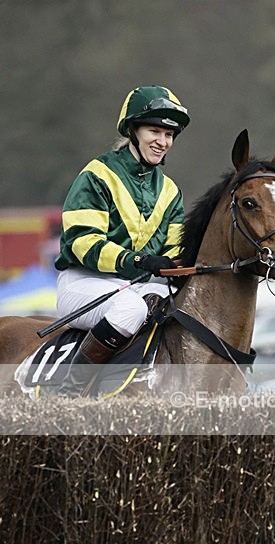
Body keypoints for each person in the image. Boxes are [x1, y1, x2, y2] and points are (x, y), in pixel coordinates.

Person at [54, 85, 190, 396]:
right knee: (131, 309)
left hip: (139, 284)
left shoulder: (170, 191)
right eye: (154, 130)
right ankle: (66, 395)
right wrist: (140, 261)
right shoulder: (97, 175)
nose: (162, 141)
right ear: (133, 130)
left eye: (169, 134)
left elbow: (173, 249)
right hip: (85, 283)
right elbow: (82, 242)